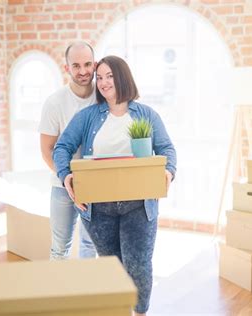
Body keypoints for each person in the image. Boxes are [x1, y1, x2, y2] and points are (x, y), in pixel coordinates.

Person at [53, 55, 177, 316]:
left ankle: (141, 312)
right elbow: (62, 147)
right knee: (114, 268)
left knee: (139, 265)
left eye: (110, 76)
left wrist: (168, 171)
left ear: (123, 77)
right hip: (98, 209)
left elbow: (166, 148)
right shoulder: (88, 117)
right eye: (100, 77)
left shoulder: (146, 114)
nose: (104, 82)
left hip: (139, 206)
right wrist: (65, 175)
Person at [38, 42, 97, 260]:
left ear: (95, 64)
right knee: (60, 248)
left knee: (90, 246)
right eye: (76, 65)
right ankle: (60, 293)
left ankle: (87, 293)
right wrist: (67, 181)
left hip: (96, 185)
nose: (83, 71)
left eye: (88, 64)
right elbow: (46, 150)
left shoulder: (103, 97)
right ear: (67, 68)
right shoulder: (54, 103)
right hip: (63, 185)